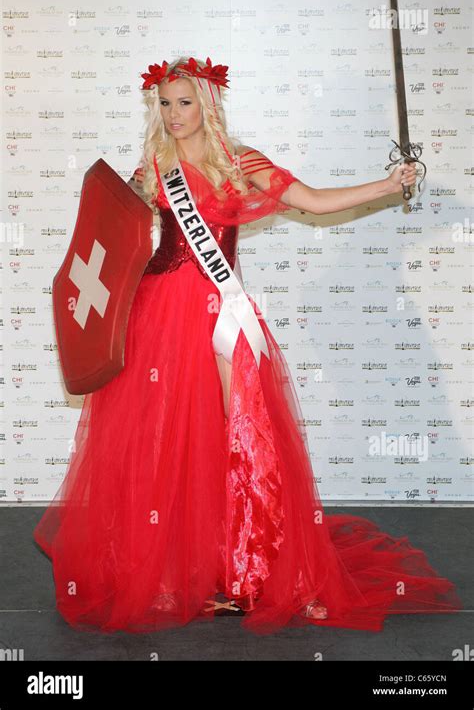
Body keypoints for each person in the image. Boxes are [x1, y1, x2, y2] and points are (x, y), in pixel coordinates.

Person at [33, 56, 462, 635]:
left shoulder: (240, 162)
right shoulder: (151, 168)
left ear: (207, 104)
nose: (174, 114)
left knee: (239, 436)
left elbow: (310, 201)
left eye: (185, 102)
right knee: (163, 443)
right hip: (156, 315)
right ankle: (167, 568)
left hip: (217, 312)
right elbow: (112, 245)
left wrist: (388, 185)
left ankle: (245, 569)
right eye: (164, 103)